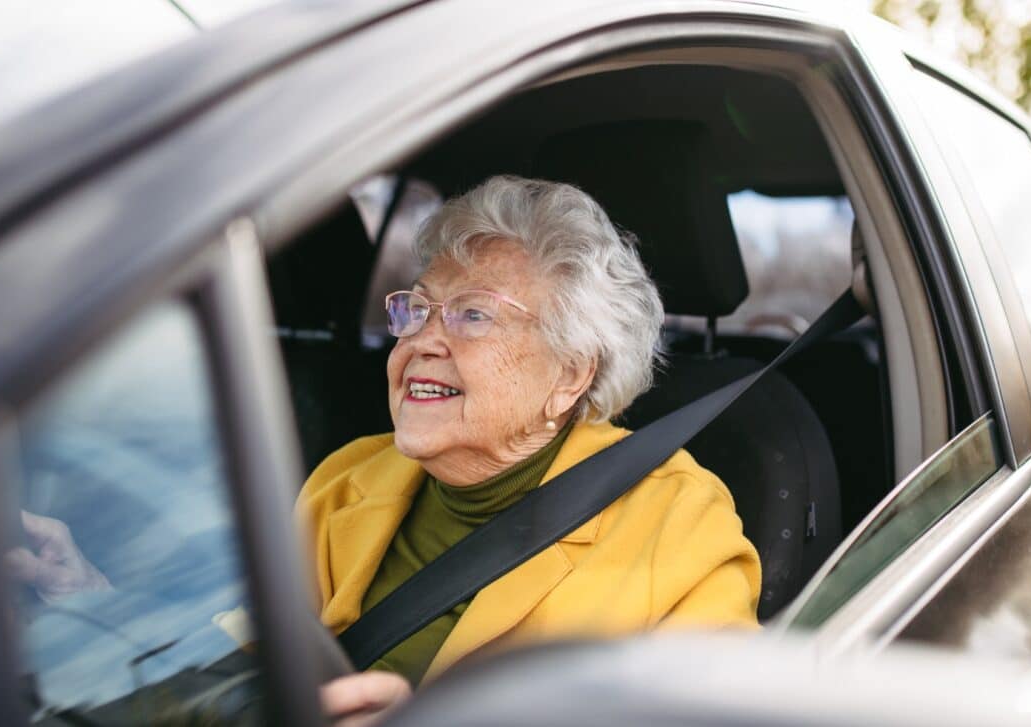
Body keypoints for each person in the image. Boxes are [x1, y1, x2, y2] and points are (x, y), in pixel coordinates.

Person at [302, 175, 761, 720]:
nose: (422, 340)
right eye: (418, 309)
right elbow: (235, 675)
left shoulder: (679, 525)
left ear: (570, 374)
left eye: (473, 315)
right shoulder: (345, 480)